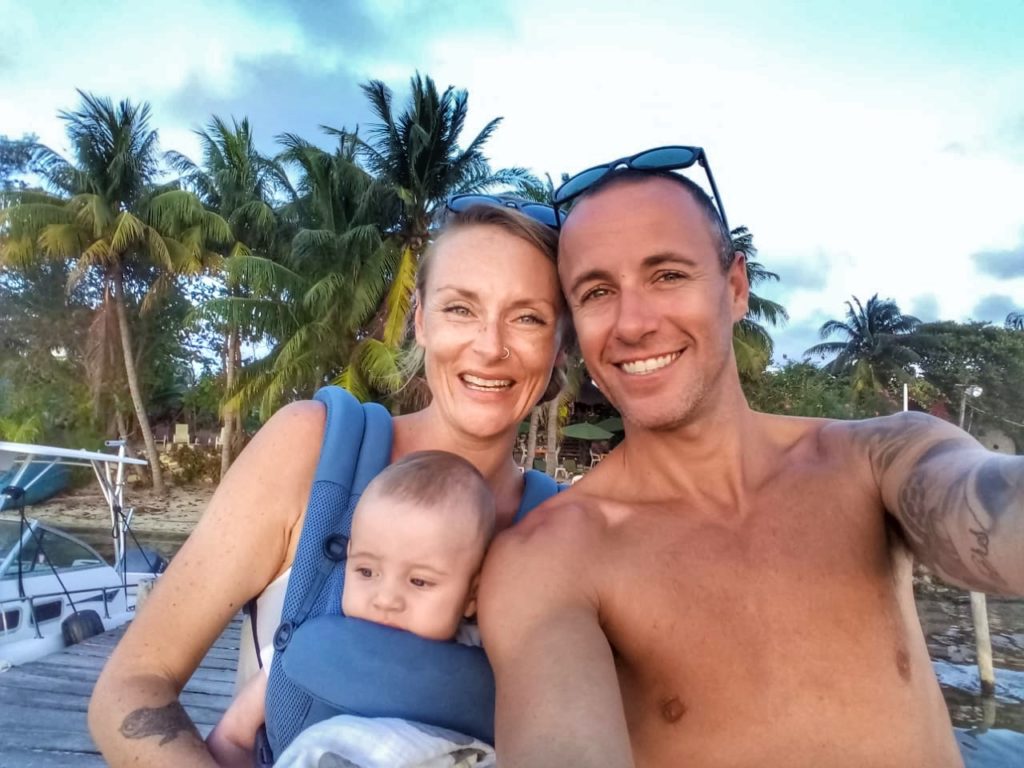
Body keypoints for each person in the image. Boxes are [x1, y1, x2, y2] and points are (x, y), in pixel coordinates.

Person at [478, 154, 1024, 767]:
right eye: (598, 291)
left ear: (735, 288)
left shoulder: (875, 460)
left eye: (667, 276)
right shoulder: (552, 558)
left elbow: (992, 514)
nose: (633, 324)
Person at [89, 200, 568, 767]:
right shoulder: (315, 451)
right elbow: (132, 687)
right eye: (460, 308)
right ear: (419, 319)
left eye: (528, 317)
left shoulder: (566, 529)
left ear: (561, 339)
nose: (490, 346)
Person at [208, 450, 497, 768]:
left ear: (472, 596)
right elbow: (231, 737)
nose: (385, 599)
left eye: (419, 581)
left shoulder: (489, 660)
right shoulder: (312, 649)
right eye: (366, 572)